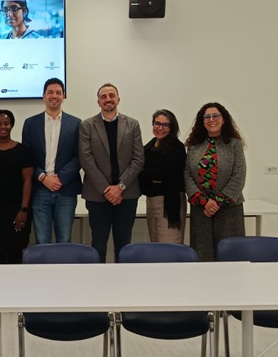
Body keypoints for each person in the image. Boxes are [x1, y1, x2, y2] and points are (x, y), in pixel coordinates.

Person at [79, 83, 144, 263]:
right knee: (98, 245)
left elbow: (138, 159)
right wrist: (107, 190)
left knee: (124, 246)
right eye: (104, 96)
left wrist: (119, 187)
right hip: (97, 195)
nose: (108, 99)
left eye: (111, 95)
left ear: (118, 99)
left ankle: (123, 280)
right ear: (98, 102)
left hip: (127, 195)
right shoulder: (87, 126)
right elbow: (86, 160)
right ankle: (98, 279)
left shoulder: (132, 124)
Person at [22, 78, 82, 244]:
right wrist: (43, 177)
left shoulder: (76, 124)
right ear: (43, 96)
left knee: (64, 240)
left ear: (64, 96)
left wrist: (60, 178)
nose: (54, 96)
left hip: (66, 190)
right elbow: (26, 157)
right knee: (42, 241)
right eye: (50, 92)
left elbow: (79, 157)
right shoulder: (30, 123)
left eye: (58, 92)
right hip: (40, 190)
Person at [185, 102, 246, 261]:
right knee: (202, 254)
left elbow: (239, 175)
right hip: (201, 209)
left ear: (223, 119)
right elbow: (187, 174)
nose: (211, 119)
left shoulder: (234, 144)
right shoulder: (194, 145)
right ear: (202, 121)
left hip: (229, 209)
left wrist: (217, 202)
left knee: (230, 255)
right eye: (207, 116)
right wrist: (204, 201)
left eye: (215, 116)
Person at [0, 110, 34, 264]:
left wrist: (23, 210)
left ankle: (16, 280)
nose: (3, 127)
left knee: (15, 253)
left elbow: (28, 181)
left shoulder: (24, 151)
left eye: (6, 123)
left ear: (12, 125)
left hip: (17, 210)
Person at [139, 109, 187, 243]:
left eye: (165, 125)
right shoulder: (150, 145)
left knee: (169, 247)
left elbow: (169, 174)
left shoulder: (176, 147)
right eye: (157, 123)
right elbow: (142, 170)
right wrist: (151, 176)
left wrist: (145, 174)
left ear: (172, 127)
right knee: (155, 245)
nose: (160, 128)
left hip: (169, 203)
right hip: (151, 202)